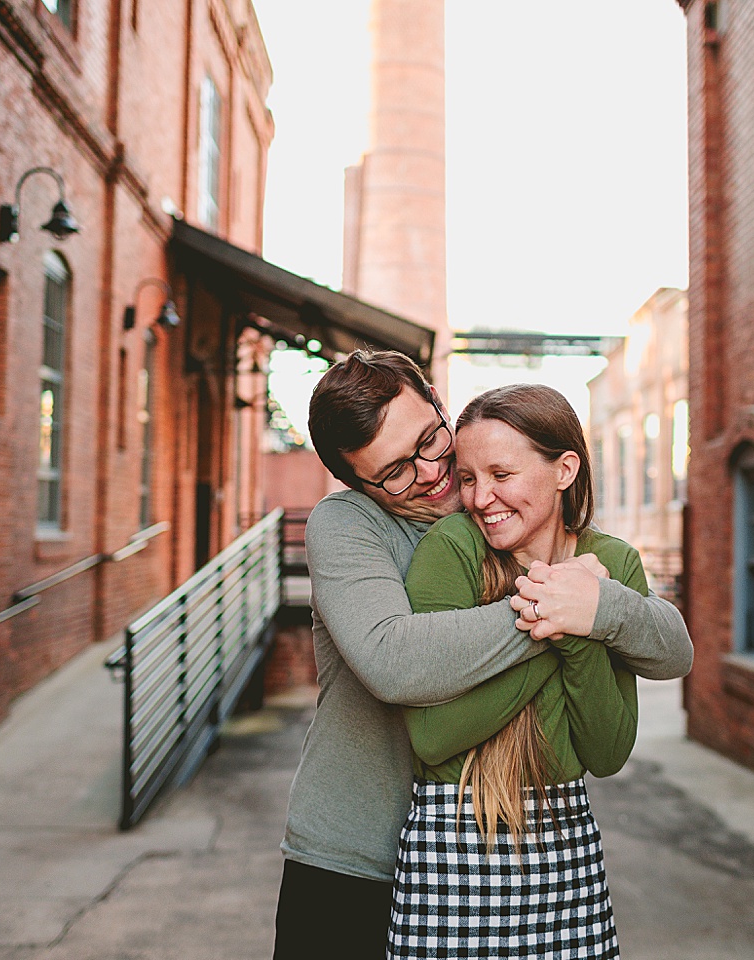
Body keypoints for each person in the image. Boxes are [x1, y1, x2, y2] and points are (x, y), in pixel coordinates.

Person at [273, 350, 692, 960]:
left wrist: (600, 606)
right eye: (394, 471)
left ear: (440, 405)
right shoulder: (350, 524)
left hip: (491, 858)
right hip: (352, 857)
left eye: (430, 439)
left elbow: (667, 647)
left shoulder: (502, 523)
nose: (430, 472)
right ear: (357, 481)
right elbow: (392, 659)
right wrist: (558, 609)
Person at [388, 383, 637, 959]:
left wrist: (580, 633)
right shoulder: (452, 548)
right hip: (450, 846)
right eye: (469, 478)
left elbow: (606, 751)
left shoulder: (615, 563)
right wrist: (563, 623)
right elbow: (433, 737)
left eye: (501, 474)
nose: (479, 498)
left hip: (568, 844)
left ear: (564, 469)